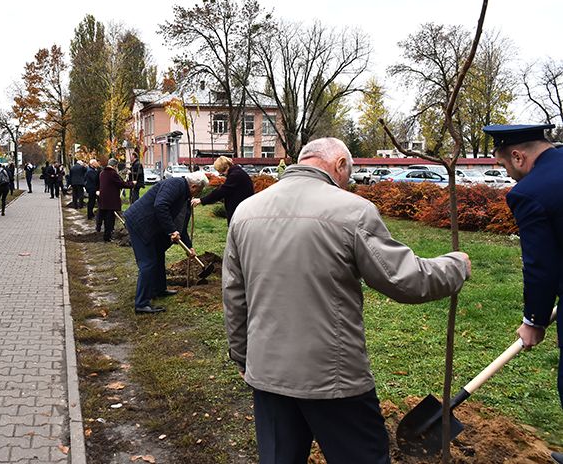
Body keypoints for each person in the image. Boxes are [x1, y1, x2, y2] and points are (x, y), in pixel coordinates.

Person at [222, 138, 471, 463]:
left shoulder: (246, 212)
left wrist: (242, 356)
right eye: (348, 173)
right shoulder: (351, 211)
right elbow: (405, 280)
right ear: (339, 164)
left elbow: (233, 294)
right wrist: (456, 266)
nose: (347, 181)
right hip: (333, 378)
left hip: (268, 373)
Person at [483, 125, 563, 413]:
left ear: (517, 157)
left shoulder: (530, 192)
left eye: (503, 165)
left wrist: (533, 321)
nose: (506, 173)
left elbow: (540, 265)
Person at [124, 172, 207, 314]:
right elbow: (160, 205)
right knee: (148, 263)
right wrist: (171, 230)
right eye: (198, 191)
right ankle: (141, 303)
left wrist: (189, 246)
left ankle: (159, 289)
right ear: (193, 186)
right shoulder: (175, 185)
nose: (197, 195)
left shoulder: (183, 194)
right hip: (139, 223)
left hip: (151, 225)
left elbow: (182, 225)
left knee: (158, 254)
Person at [191, 156, 253, 224]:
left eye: (220, 171)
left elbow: (221, 192)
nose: (221, 174)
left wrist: (201, 200)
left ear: (223, 168)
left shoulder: (235, 175)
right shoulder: (237, 172)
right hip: (243, 210)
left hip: (240, 213)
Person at [97, 158, 135, 242]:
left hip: (103, 199)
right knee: (109, 219)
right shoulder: (112, 173)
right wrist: (132, 184)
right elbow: (121, 183)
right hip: (111, 200)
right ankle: (107, 237)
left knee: (104, 217)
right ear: (115, 166)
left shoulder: (102, 173)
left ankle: (103, 232)